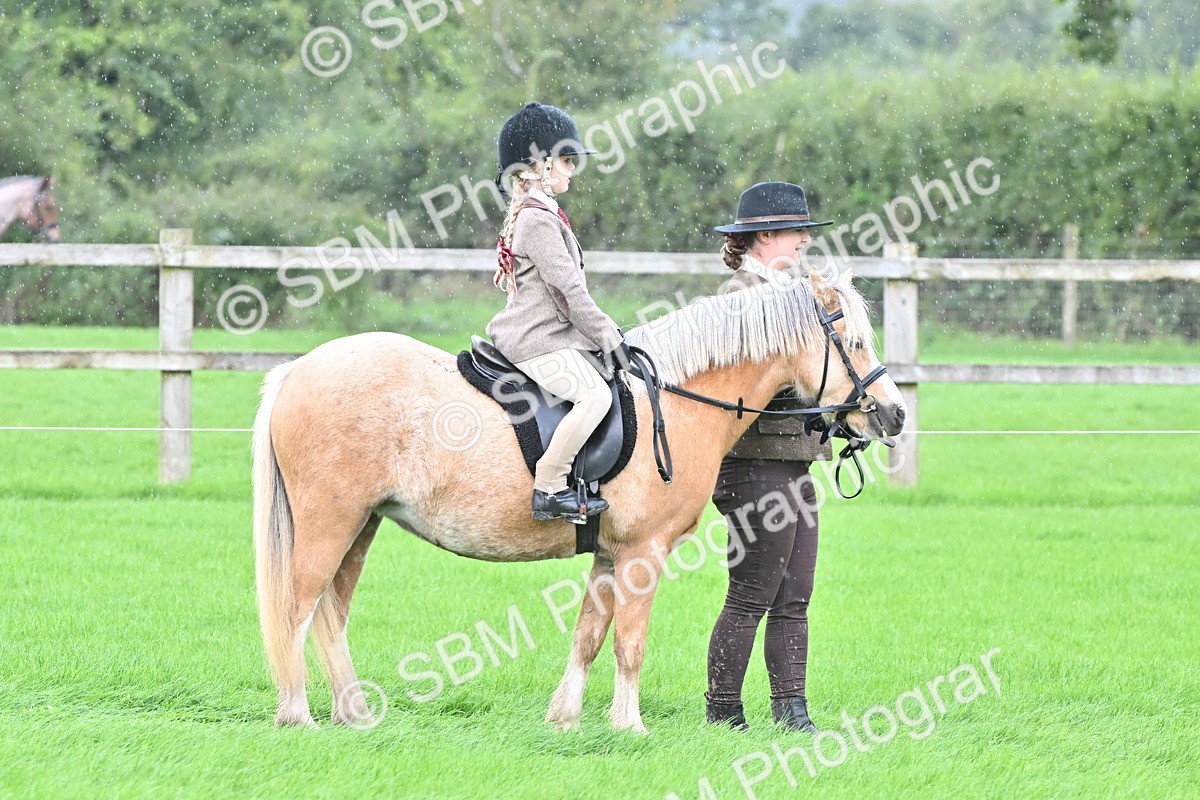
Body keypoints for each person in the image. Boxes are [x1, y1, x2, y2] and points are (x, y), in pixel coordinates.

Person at [704, 181, 835, 732]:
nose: (805, 240)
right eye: (795, 231)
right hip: (751, 464)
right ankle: (723, 712)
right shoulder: (741, 301)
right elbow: (744, 389)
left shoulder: (789, 297)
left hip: (793, 464)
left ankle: (792, 712)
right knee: (752, 592)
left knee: (795, 595)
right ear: (764, 237)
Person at [485, 102, 633, 522]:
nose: (571, 170)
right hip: (536, 340)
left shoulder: (540, 215)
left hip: (548, 334)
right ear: (541, 163)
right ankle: (550, 485)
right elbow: (568, 292)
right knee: (595, 395)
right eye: (567, 160)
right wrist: (609, 336)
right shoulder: (537, 221)